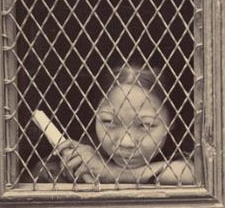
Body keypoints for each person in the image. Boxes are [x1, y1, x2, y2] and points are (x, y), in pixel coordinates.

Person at [52, 62, 194, 185]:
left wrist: (111, 173)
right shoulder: (85, 154)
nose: (126, 142)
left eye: (145, 125)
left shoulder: (185, 150)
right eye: (109, 122)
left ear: (172, 122)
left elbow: (195, 173)